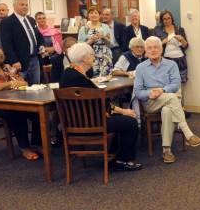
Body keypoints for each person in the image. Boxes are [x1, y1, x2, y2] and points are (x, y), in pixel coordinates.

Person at [59, 43, 142, 172]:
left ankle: (112, 153)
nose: (94, 58)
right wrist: (124, 111)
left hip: (75, 123)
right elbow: (103, 104)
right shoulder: (81, 79)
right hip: (91, 124)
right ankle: (122, 160)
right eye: (92, 55)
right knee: (130, 122)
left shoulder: (68, 74)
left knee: (119, 117)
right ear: (84, 58)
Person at [134, 36, 200, 164]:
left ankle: (166, 151)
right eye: (149, 48)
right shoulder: (141, 68)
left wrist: (162, 90)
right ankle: (188, 134)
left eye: (156, 47)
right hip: (151, 102)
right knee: (172, 98)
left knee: (167, 110)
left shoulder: (171, 64)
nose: (153, 50)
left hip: (168, 98)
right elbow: (138, 92)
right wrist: (150, 93)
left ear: (161, 49)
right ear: (145, 51)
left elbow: (176, 84)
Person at [0, 44, 40, 160]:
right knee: (17, 113)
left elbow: (23, 82)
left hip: (14, 100)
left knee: (36, 111)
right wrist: (10, 84)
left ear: (0, 56)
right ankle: (24, 148)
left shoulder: (6, 67)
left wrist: (17, 83)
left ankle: (37, 142)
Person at [0, 0, 46, 85]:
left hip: (35, 59)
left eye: (26, 5)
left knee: (36, 87)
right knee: (21, 88)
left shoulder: (31, 20)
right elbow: (6, 44)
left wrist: (42, 45)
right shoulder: (7, 22)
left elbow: (38, 36)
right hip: (19, 62)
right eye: (21, 5)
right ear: (14, 6)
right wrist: (14, 61)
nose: (25, 7)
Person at [153, 10, 189, 83]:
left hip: (180, 59)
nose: (167, 20)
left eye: (168, 18)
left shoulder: (179, 29)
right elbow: (154, 45)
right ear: (161, 20)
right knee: (165, 82)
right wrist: (163, 41)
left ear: (172, 18)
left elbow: (186, 46)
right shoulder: (157, 29)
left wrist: (181, 39)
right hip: (165, 59)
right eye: (164, 19)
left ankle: (178, 95)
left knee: (179, 82)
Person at [78, 7, 112, 77]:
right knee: (94, 77)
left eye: (96, 13)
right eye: (91, 13)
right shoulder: (83, 29)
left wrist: (103, 37)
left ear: (99, 15)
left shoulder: (105, 26)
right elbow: (80, 46)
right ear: (88, 16)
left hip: (105, 56)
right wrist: (90, 41)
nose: (94, 15)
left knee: (106, 77)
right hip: (90, 58)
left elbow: (110, 43)